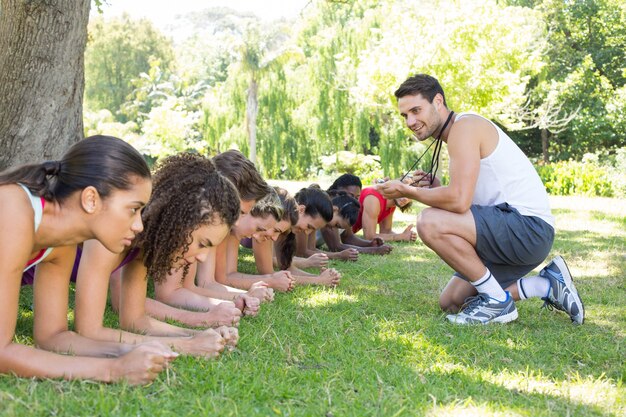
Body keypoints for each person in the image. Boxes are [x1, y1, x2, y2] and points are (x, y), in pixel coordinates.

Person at [377, 74, 584, 325]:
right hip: (513, 230)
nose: (410, 121)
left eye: (416, 110)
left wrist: (407, 191)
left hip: (527, 229)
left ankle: (498, 303)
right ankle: (545, 285)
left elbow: (459, 202)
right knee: (452, 302)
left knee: (428, 222)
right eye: (405, 115)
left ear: (438, 101)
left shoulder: (464, 127)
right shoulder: (455, 134)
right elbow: (470, 198)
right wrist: (436, 188)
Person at [0, 135, 177, 385]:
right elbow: (2, 351)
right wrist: (112, 370)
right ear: (91, 199)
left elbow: (52, 337)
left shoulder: (61, 243)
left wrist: (129, 351)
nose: (139, 225)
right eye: (133, 209)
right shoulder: (13, 210)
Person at [75, 153, 240, 355]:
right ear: (179, 220)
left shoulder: (144, 245)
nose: (202, 257)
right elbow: (88, 332)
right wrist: (187, 346)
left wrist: (194, 335)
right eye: (202, 243)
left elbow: (134, 320)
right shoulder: (115, 230)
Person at [250, 187, 341, 287]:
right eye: (309, 226)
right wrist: (318, 280)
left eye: (312, 230)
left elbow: (287, 267)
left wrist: (318, 277)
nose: (307, 233)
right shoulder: (273, 218)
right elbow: (268, 274)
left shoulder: (286, 228)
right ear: (301, 210)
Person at [352, 186, 417, 243]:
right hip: (342, 231)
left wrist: (405, 235)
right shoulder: (374, 198)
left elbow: (386, 232)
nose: (405, 199)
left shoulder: (391, 205)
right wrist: (400, 237)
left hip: (347, 234)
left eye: (410, 196)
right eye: (403, 193)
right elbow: (369, 237)